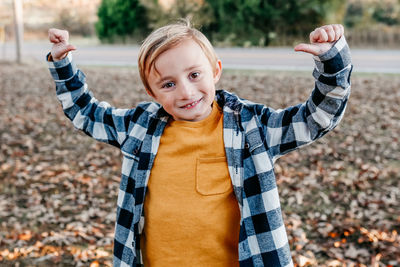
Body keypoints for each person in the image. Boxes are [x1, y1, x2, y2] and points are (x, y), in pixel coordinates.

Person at [47, 20, 352, 267]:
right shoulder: (140, 127)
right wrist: (63, 66)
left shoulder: (251, 127)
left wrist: (332, 64)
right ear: (152, 92)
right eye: (168, 84)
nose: (185, 91)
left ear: (215, 70)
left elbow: (316, 118)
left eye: (194, 75)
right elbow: (86, 113)